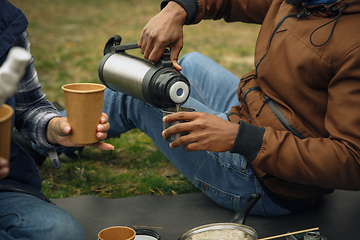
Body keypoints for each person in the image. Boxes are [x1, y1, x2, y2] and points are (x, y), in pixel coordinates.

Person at [23, 0, 360, 216]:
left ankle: (48, 137)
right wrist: (180, 8)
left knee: (141, 93)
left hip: (271, 181)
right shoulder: (304, 2)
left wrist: (240, 138)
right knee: (192, 64)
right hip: (257, 113)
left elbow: (352, 160)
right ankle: (71, 128)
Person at [0, 1, 113, 239]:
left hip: (5, 185)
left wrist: (54, 128)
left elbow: (28, 106)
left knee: (61, 233)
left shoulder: (6, 21)